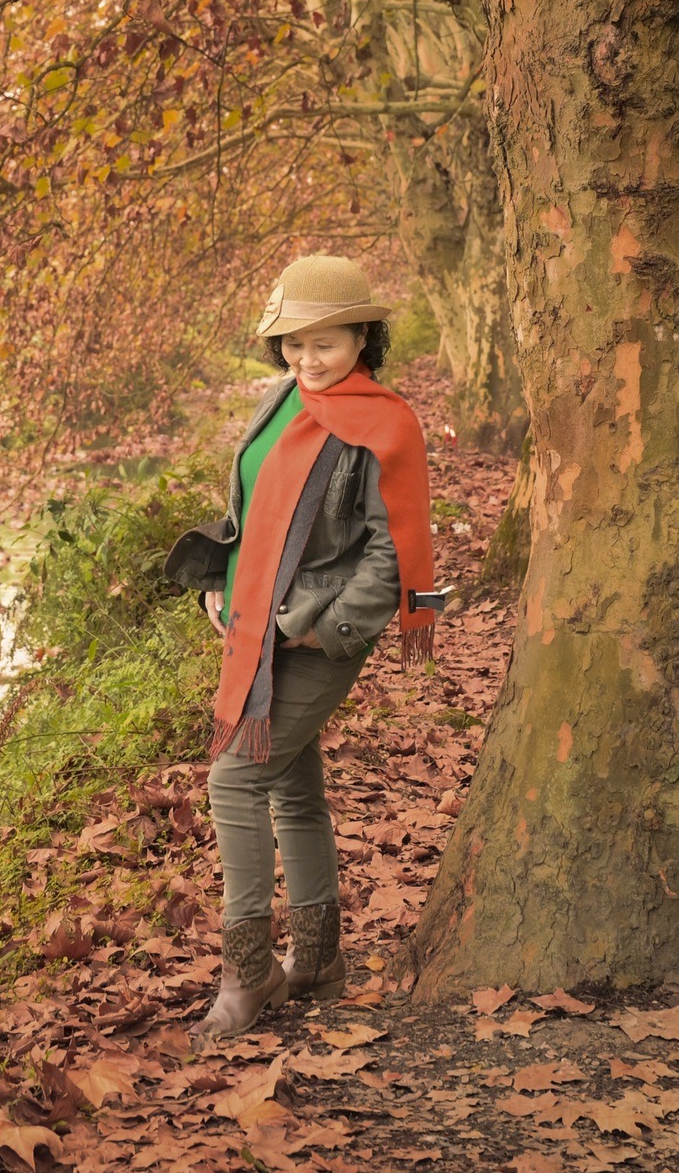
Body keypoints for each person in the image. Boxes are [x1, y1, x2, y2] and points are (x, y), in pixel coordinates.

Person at [164, 254, 441, 1040]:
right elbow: (249, 512)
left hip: (315, 638)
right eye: (292, 341)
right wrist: (222, 580)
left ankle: (249, 973)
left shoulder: (386, 423)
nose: (305, 358)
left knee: (234, 780)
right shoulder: (280, 399)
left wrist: (322, 627)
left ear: (363, 336)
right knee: (288, 786)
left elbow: (394, 555)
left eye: (325, 342)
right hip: (255, 623)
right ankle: (317, 960)